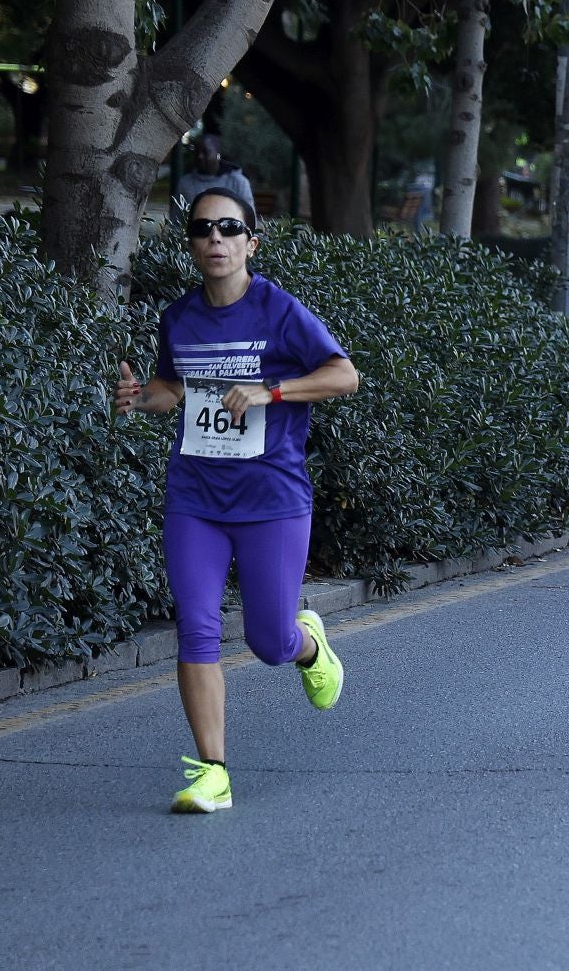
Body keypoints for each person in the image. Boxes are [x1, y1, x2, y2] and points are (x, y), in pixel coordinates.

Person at [113, 188, 359, 813]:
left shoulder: (278, 311)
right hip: (195, 497)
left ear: (252, 240)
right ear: (192, 243)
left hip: (272, 498)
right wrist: (142, 399)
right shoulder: (179, 317)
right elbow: (175, 386)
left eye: (229, 228)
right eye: (203, 229)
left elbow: (343, 375)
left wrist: (270, 390)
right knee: (196, 627)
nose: (216, 239)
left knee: (267, 642)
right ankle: (212, 773)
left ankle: (307, 643)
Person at [172, 134, 255, 222]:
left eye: (205, 152)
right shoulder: (185, 183)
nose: (200, 156)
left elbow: (250, 219)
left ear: (218, 155)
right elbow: (176, 219)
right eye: (197, 152)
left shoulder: (238, 182)